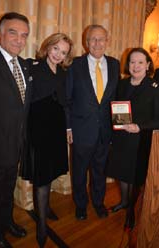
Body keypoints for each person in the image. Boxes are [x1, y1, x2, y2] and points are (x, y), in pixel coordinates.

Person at [21, 33, 73, 247]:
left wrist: (68, 127)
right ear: (48, 47)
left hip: (57, 128)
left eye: (63, 52)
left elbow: (65, 103)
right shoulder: (32, 66)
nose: (58, 55)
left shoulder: (63, 72)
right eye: (56, 49)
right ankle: (41, 224)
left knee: (50, 171)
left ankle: (46, 207)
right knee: (41, 176)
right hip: (38, 130)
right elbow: (24, 100)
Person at [66, 24, 120, 220]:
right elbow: (68, 99)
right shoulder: (74, 64)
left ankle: (98, 203)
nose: (97, 43)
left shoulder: (115, 64)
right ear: (86, 42)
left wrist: (119, 127)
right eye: (93, 39)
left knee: (100, 171)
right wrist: (68, 126)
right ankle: (81, 205)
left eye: (101, 39)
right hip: (81, 130)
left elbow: (115, 98)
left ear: (107, 41)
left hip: (105, 131)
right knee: (79, 172)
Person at [107, 47, 159, 230]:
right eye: (132, 62)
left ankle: (130, 211)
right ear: (128, 65)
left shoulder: (155, 88)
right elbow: (115, 108)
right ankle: (124, 201)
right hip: (121, 138)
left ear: (148, 65)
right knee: (120, 173)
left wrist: (140, 126)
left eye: (140, 62)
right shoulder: (122, 84)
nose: (136, 65)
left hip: (140, 142)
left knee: (133, 177)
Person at [0, 12, 31, 248]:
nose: (19, 40)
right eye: (13, 33)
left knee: (7, 190)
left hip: (15, 146)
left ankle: (6, 222)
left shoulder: (23, 64)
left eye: (24, 35)